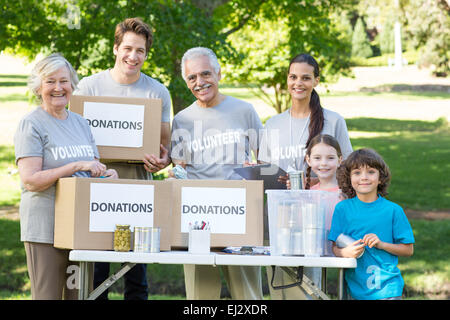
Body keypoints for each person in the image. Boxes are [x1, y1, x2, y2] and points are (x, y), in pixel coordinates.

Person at [74, 17, 172, 300]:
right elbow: (76, 141)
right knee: (96, 275)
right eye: (128, 48)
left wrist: (161, 161)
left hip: (137, 190)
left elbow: (163, 148)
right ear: (115, 48)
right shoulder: (89, 88)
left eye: (140, 50)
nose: (133, 56)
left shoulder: (157, 92)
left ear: (146, 53)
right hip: (96, 189)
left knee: (136, 277)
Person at [14, 53, 118, 300]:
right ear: (39, 87)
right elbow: (30, 180)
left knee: (79, 297)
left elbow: (88, 170)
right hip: (45, 229)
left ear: (72, 84)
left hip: (79, 229)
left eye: (64, 81)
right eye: (50, 81)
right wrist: (71, 167)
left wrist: (106, 175)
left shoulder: (81, 124)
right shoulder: (32, 124)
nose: (58, 88)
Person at [170, 47, 264, 299]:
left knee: (248, 295)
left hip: (240, 214)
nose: (200, 82)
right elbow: (179, 170)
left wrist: (253, 173)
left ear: (219, 74)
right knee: (201, 296)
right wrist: (173, 176)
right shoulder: (182, 119)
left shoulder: (244, 111)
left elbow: (265, 162)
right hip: (197, 218)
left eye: (205, 74)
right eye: (192, 78)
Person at [258, 53, 353, 300]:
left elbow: (348, 167)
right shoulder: (273, 124)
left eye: (305, 78)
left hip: (317, 215)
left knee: (311, 288)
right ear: (286, 80)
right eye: (293, 77)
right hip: (280, 216)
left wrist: (314, 183)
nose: (298, 83)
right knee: (280, 287)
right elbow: (266, 167)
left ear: (316, 81)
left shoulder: (333, 120)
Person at [329, 148, 414, 300]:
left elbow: (408, 250)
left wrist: (382, 244)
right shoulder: (342, 209)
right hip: (353, 288)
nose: (364, 177)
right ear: (349, 178)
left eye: (371, 172)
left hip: (388, 290)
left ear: (380, 178)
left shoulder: (393, 210)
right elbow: (334, 247)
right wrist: (344, 253)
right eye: (357, 173)